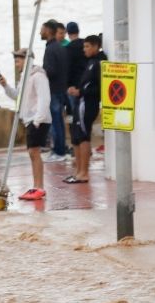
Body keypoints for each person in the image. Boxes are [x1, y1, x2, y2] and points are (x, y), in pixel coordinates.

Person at [0, 49, 52, 201]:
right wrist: (6, 86)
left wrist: (37, 120)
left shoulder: (38, 76)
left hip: (38, 120)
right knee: (32, 153)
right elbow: (18, 96)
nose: (16, 65)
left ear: (26, 60)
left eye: (18, 61)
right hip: (29, 119)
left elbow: (44, 98)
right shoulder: (24, 77)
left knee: (34, 152)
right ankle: (36, 186)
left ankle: (39, 187)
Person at [67, 35, 107, 184]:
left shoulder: (100, 62)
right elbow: (86, 83)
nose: (84, 49)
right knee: (76, 137)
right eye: (84, 46)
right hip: (81, 102)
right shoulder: (90, 62)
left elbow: (100, 88)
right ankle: (78, 171)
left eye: (88, 46)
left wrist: (81, 92)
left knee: (83, 136)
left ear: (96, 46)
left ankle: (84, 173)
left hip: (88, 104)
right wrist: (76, 89)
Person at [41, 20, 70, 163]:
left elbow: (51, 71)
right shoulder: (60, 47)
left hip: (54, 90)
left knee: (55, 122)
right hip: (61, 89)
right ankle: (60, 149)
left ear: (48, 31)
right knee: (58, 121)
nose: (40, 32)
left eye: (42, 30)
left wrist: (41, 72)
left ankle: (58, 152)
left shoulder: (51, 49)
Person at [64, 21, 86, 134]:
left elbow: (67, 69)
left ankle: (74, 132)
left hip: (73, 86)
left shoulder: (68, 48)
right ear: (78, 31)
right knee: (83, 111)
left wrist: (67, 85)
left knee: (72, 111)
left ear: (67, 33)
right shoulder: (85, 44)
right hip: (86, 84)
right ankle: (83, 131)